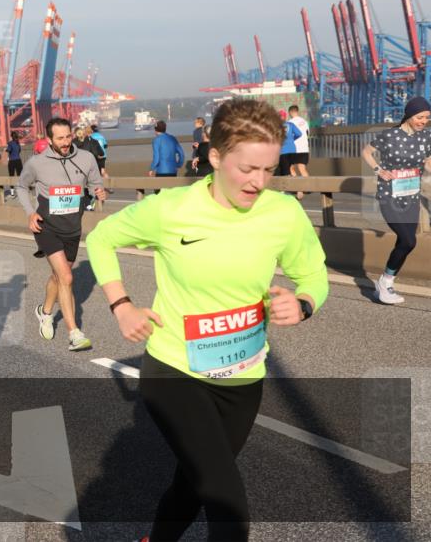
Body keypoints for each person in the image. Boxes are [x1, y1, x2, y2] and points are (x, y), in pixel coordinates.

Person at [86, 98, 328, 541]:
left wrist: (306, 301)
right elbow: (101, 238)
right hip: (176, 370)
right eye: (247, 168)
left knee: (193, 484)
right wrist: (121, 305)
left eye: (268, 169)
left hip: (243, 375)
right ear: (215, 157)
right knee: (225, 499)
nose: (258, 182)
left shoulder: (283, 214)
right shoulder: (170, 209)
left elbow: (312, 272)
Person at [17, 117, 105, 351]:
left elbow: (96, 184)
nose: (66, 142)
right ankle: (74, 333)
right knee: (66, 277)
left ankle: (44, 312)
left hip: (72, 226)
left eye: (68, 137)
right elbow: (21, 186)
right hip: (46, 226)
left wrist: (99, 192)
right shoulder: (37, 162)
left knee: (58, 276)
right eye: (60, 138)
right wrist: (30, 213)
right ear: (49, 140)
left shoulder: (86, 158)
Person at [361, 96, 431, 305]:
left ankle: (385, 282)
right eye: (420, 117)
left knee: (406, 243)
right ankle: (385, 282)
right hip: (389, 196)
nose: (424, 121)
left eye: (427, 118)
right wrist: (378, 170)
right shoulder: (389, 135)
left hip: (411, 197)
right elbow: (366, 151)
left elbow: (427, 162)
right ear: (409, 116)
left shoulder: (426, 137)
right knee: (409, 240)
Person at [148, 120, 185, 188]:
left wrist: (151, 169)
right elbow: (181, 153)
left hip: (161, 171)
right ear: (165, 128)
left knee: (159, 194)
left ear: (155, 130)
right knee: (171, 193)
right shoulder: (172, 138)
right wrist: (178, 164)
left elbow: (156, 158)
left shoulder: (156, 140)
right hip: (173, 171)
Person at [287, 105, 311, 199]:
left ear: (290, 112)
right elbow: (308, 134)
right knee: (302, 169)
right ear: (297, 111)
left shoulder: (290, 123)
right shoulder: (304, 122)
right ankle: (307, 187)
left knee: (291, 168)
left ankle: (297, 188)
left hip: (294, 149)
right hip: (304, 148)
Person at [277, 112, 302, 177]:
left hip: (283, 151)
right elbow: (299, 134)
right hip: (293, 150)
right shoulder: (291, 124)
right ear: (285, 117)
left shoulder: (277, 126)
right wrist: (292, 139)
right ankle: (295, 185)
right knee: (291, 169)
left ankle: (288, 186)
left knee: (285, 172)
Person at [5, 132, 23, 198]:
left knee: (11, 176)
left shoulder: (10, 143)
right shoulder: (18, 143)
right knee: (20, 176)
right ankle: (21, 191)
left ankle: (12, 193)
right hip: (18, 160)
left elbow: (9, 150)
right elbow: (19, 151)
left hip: (12, 161)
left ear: (11, 136)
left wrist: (6, 150)